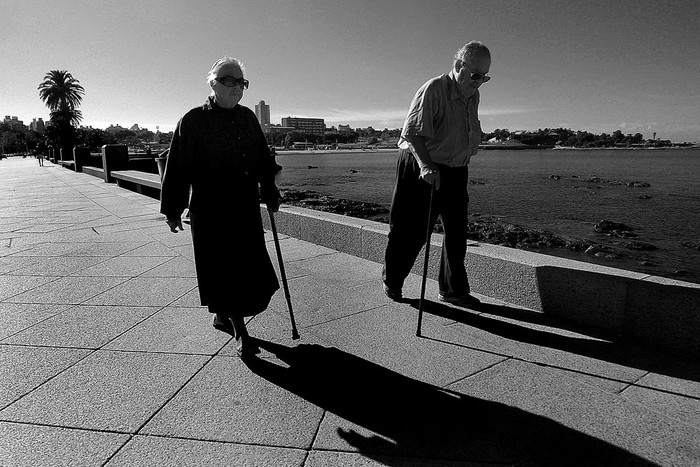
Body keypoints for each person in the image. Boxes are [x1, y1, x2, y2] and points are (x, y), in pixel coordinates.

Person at [160, 56, 282, 356]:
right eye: (230, 81)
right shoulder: (192, 120)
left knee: (255, 274)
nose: (237, 88)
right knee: (224, 271)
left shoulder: (248, 118)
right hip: (211, 208)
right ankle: (240, 330)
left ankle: (222, 314)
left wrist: (270, 190)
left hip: (243, 206)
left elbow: (261, 161)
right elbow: (177, 167)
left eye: (242, 82)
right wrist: (173, 209)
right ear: (213, 83)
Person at [382, 41, 491, 308]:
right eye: (475, 75)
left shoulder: (472, 95)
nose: (478, 82)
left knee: (457, 231)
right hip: (421, 163)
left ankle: (452, 290)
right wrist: (427, 166)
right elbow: (411, 133)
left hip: (455, 169)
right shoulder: (433, 89)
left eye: (484, 77)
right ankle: (392, 280)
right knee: (412, 231)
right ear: (458, 66)